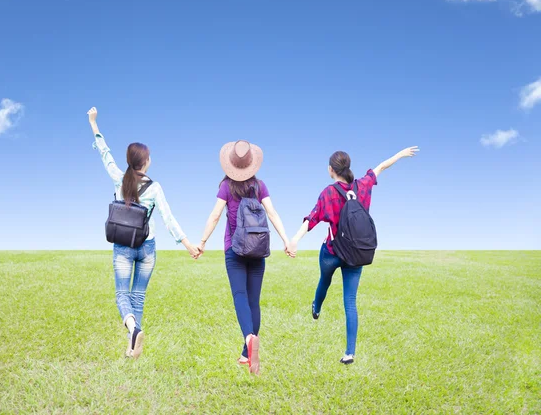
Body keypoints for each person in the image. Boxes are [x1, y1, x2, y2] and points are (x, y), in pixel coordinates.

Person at [288, 146, 419, 365]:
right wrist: (400, 154)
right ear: (348, 167)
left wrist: (294, 241)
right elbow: (381, 167)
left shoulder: (328, 193)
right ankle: (349, 353)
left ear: (331, 170)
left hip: (331, 252)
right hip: (356, 253)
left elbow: (311, 220)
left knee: (324, 281)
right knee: (350, 301)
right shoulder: (363, 186)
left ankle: (316, 308)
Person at [87, 107, 200, 359]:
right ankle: (133, 343)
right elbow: (168, 219)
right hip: (147, 248)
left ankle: (132, 331)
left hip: (123, 247)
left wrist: (94, 124)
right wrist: (188, 245)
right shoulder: (155, 187)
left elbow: (104, 154)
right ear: (145, 162)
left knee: (121, 294)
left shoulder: (119, 178)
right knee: (138, 296)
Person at [198, 140, 292, 375]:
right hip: (258, 250)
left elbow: (215, 215)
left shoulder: (226, 188)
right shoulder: (260, 187)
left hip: (235, 250)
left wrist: (202, 242)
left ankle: (249, 339)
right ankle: (245, 353)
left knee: (240, 295)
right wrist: (286, 240)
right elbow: (272, 213)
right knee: (254, 301)